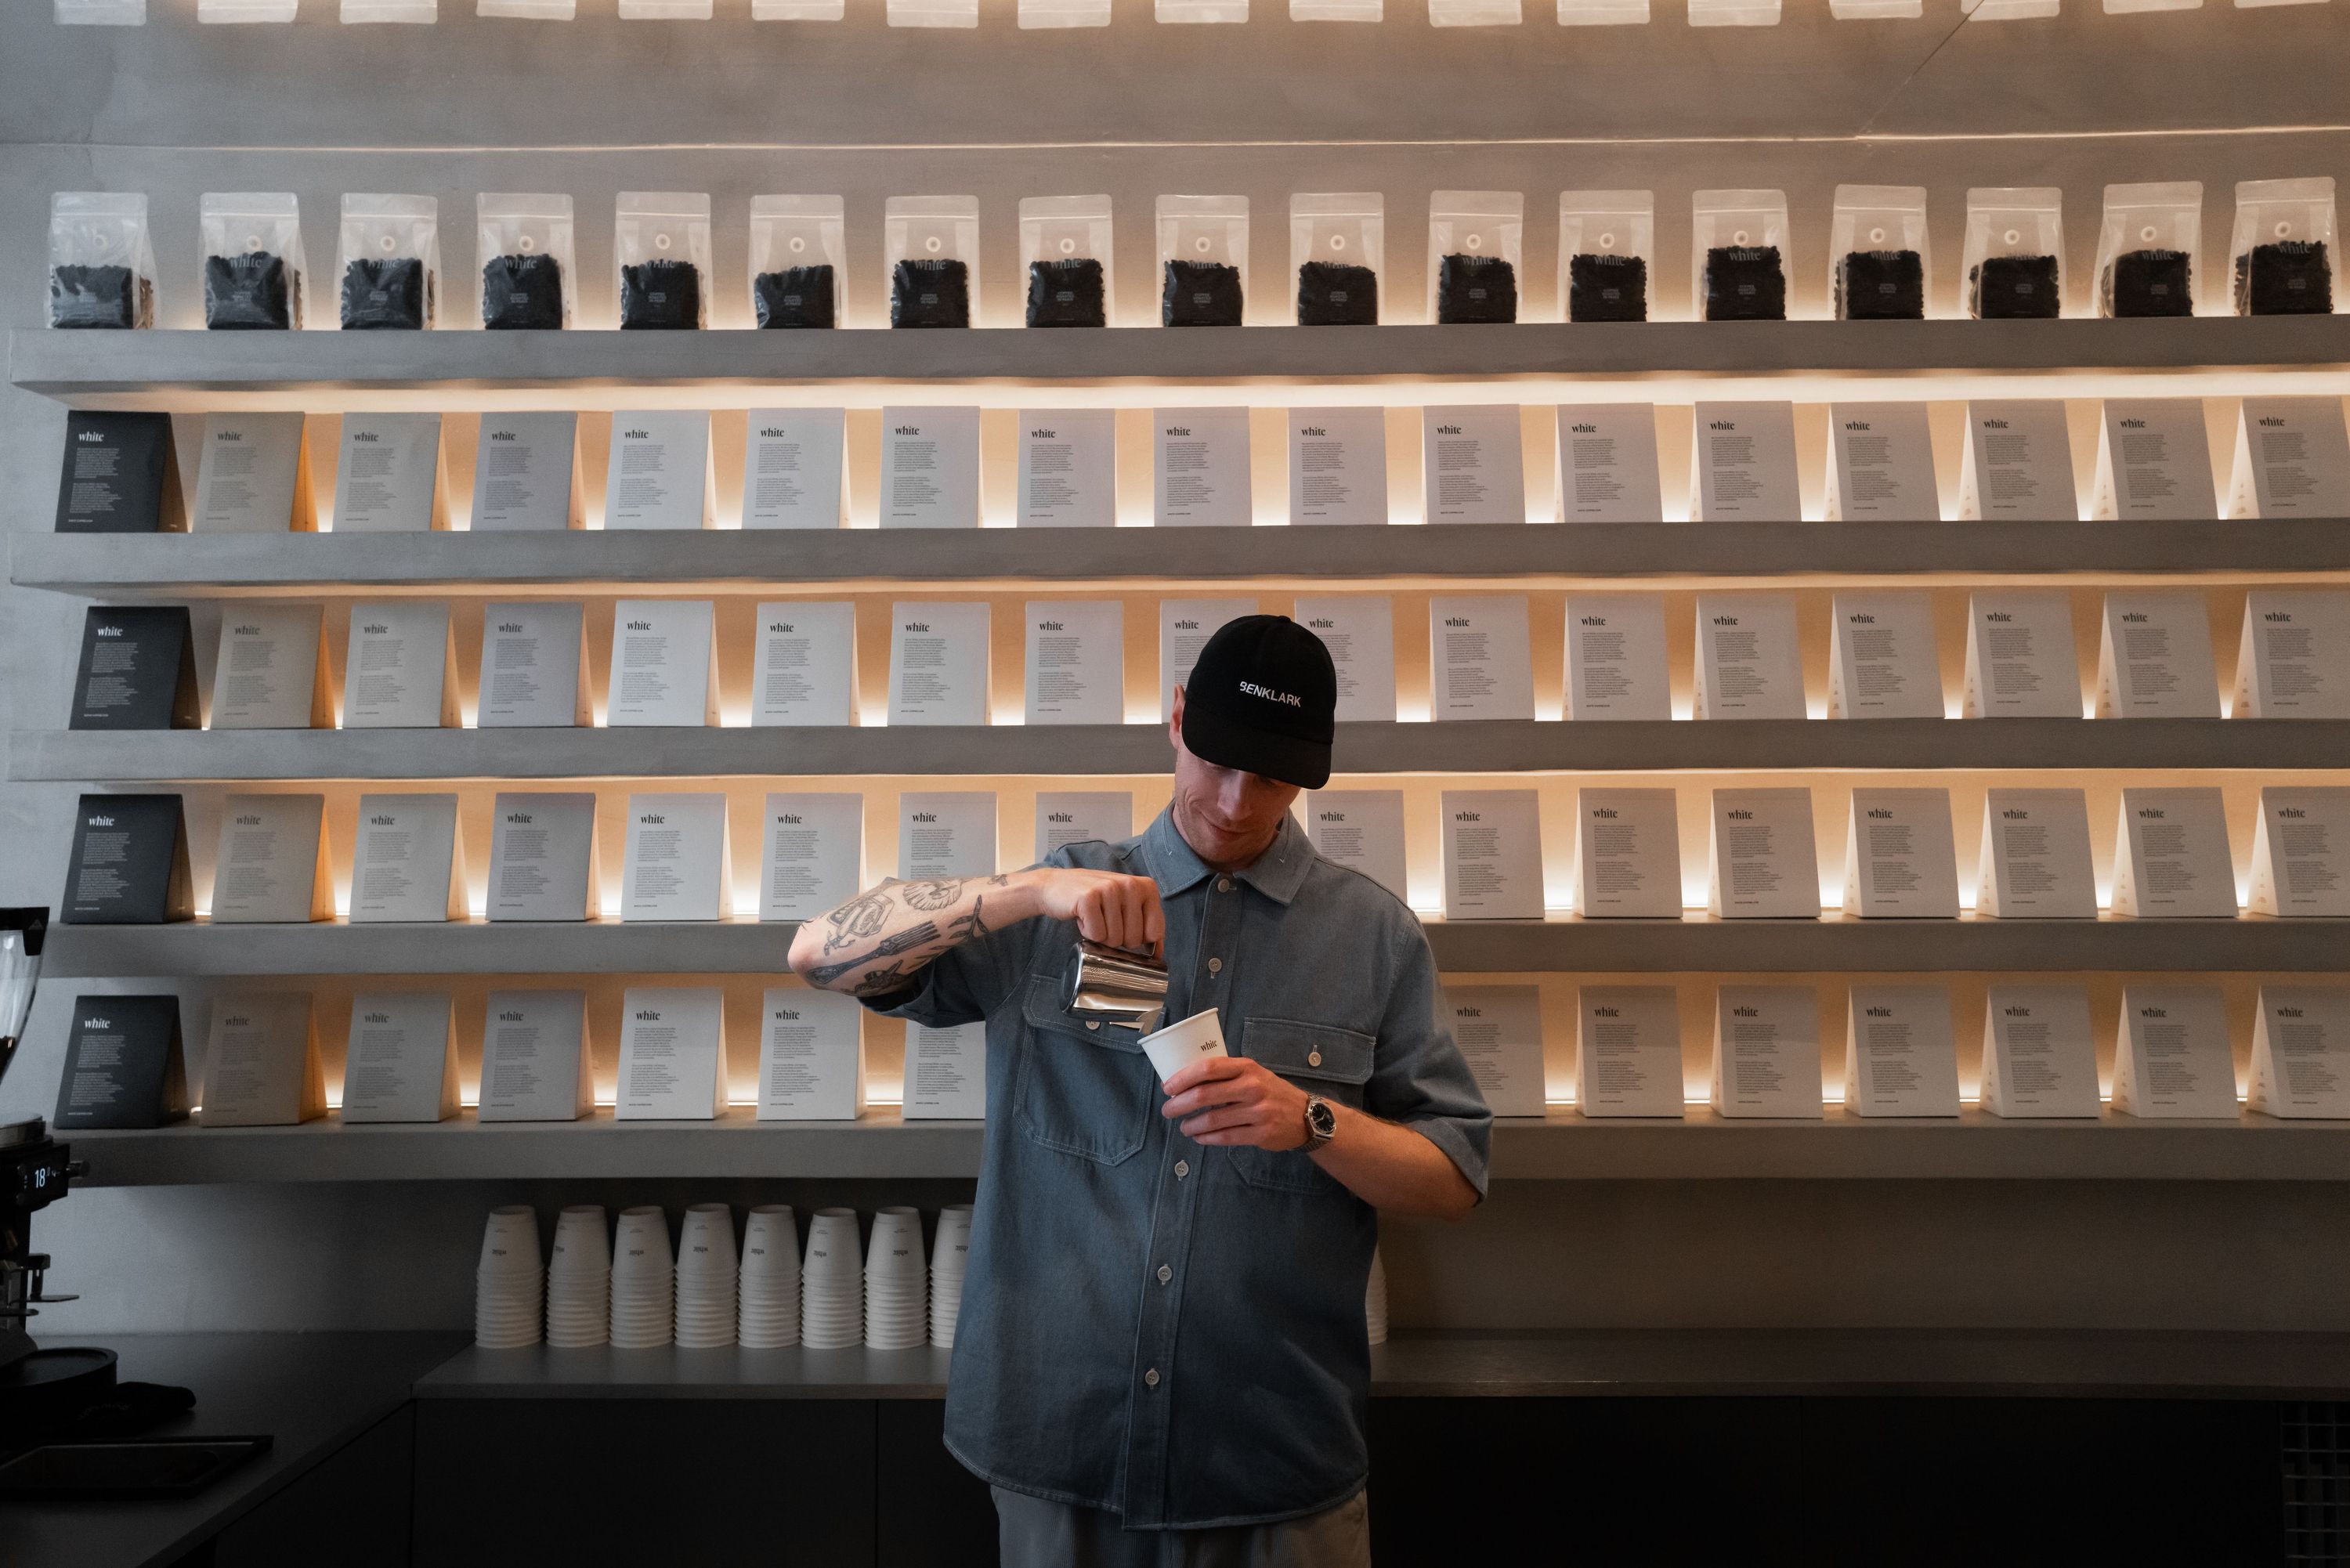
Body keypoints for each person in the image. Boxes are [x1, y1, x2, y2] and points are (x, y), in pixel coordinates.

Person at [788, 615, 1491, 1568]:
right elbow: (817, 954)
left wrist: (1312, 1119)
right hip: (1058, 1444)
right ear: (1176, 719)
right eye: (1218, 760)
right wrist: (1029, 891)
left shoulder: (1376, 938)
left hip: (1272, 1461)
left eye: (1272, 778)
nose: (1236, 802)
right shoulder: (1054, 904)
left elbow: (1455, 1180)